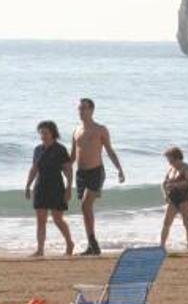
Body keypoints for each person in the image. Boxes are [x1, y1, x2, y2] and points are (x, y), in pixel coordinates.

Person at [70, 98, 125, 256]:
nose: (81, 111)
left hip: (96, 171)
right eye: (79, 109)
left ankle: (93, 243)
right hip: (81, 174)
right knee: (86, 209)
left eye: (84, 109)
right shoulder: (76, 130)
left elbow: (109, 150)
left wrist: (119, 169)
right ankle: (91, 245)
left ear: (92, 110)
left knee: (85, 206)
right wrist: (60, 167)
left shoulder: (100, 129)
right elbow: (72, 156)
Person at [24, 120, 74, 257]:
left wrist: (69, 188)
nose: (43, 136)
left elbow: (68, 171)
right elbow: (34, 169)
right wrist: (28, 185)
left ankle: (69, 243)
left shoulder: (60, 149)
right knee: (40, 220)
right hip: (40, 186)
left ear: (53, 133)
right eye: (41, 133)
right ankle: (40, 249)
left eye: (45, 133)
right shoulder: (37, 150)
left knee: (57, 219)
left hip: (56, 186)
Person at [159, 145, 188, 250]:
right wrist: (165, 194)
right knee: (166, 222)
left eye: (169, 158)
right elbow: (163, 183)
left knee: (186, 222)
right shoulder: (171, 169)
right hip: (173, 197)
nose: (168, 161)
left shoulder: (187, 168)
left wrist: (175, 185)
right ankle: (161, 245)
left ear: (176, 157)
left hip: (185, 197)